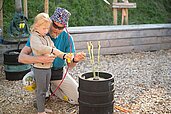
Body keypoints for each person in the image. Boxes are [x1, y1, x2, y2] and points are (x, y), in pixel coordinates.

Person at [18, 7, 85, 107]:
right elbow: (21, 58)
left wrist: (75, 59)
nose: (57, 30)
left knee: (78, 99)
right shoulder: (39, 33)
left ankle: (54, 89)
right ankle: (44, 93)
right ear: (50, 22)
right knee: (27, 80)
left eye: (61, 28)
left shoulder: (68, 38)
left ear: (65, 27)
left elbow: (70, 66)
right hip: (40, 70)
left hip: (58, 73)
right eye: (55, 26)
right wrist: (41, 59)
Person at [29, 12, 73, 114]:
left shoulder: (47, 37)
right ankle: (40, 111)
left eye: (47, 28)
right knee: (40, 91)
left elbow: (55, 49)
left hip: (47, 69)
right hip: (39, 69)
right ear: (36, 26)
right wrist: (52, 50)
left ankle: (41, 108)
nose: (46, 31)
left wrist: (64, 55)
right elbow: (40, 48)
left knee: (44, 90)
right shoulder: (34, 37)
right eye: (44, 28)